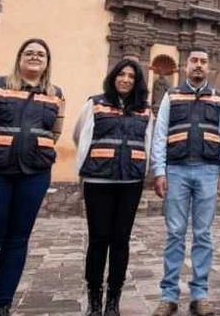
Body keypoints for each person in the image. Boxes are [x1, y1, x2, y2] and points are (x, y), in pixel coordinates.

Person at [0, 38, 65, 316]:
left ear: (47, 62)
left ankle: (3, 304)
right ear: (19, 57)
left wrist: (35, 150)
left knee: (18, 240)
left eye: (40, 54)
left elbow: (55, 132)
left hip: (33, 174)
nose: (34, 57)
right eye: (29, 53)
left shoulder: (55, 93)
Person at [150, 48, 220, 316]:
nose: (198, 66)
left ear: (209, 67)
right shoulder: (171, 96)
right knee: (175, 233)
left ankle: (200, 294)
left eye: (203, 62)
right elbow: (160, 133)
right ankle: (168, 295)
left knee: (203, 235)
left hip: (208, 172)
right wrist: (159, 171)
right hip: (176, 171)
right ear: (186, 66)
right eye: (194, 61)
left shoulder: (219, 98)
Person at [73, 58, 153, 316]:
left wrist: (141, 170)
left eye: (131, 76)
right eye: (122, 74)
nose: (126, 79)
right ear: (113, 77)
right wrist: (91, 164)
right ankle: (95, 300)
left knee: (121, 240)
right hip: (98, 181)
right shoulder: (94, 104)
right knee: (98, 240)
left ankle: (113, 302)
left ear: (137, 81)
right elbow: (79, 134)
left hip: (130, 182)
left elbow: (148, 142)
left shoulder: (145, 110)